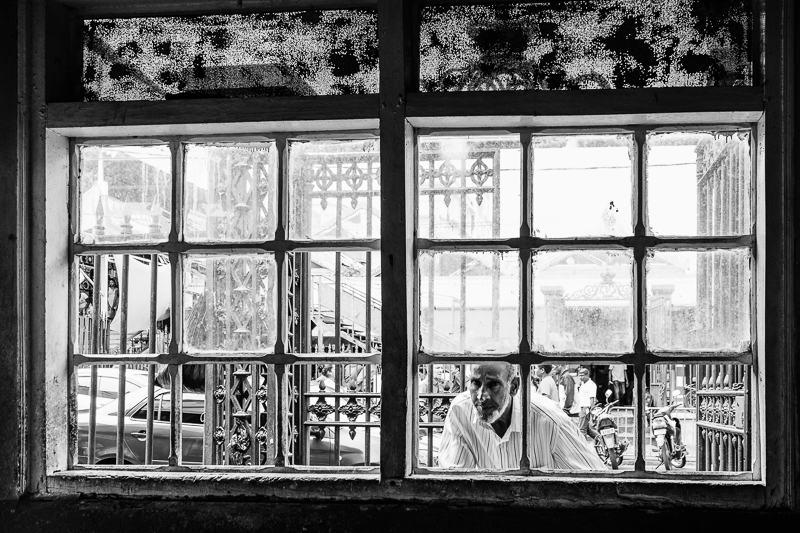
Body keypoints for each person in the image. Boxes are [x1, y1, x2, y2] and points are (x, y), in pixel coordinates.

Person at [437, 362, 606, 470]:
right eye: (476, 383)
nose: (482, 396)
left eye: (493, 384)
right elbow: (454, 480)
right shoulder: (460, 411)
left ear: (514, 386)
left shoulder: (551, 420)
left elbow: (596, 482)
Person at [577, 366, 599, 441]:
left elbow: (592, 399)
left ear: (587, 375)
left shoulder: (591, 385)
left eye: (582, 375)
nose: (580, 377)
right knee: (588, 429)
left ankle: (583, 447)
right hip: (581, 407)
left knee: (582, 429)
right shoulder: (583, 384)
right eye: (579, 375)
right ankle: (601, 439)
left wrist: (591, 411)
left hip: (586, 408)